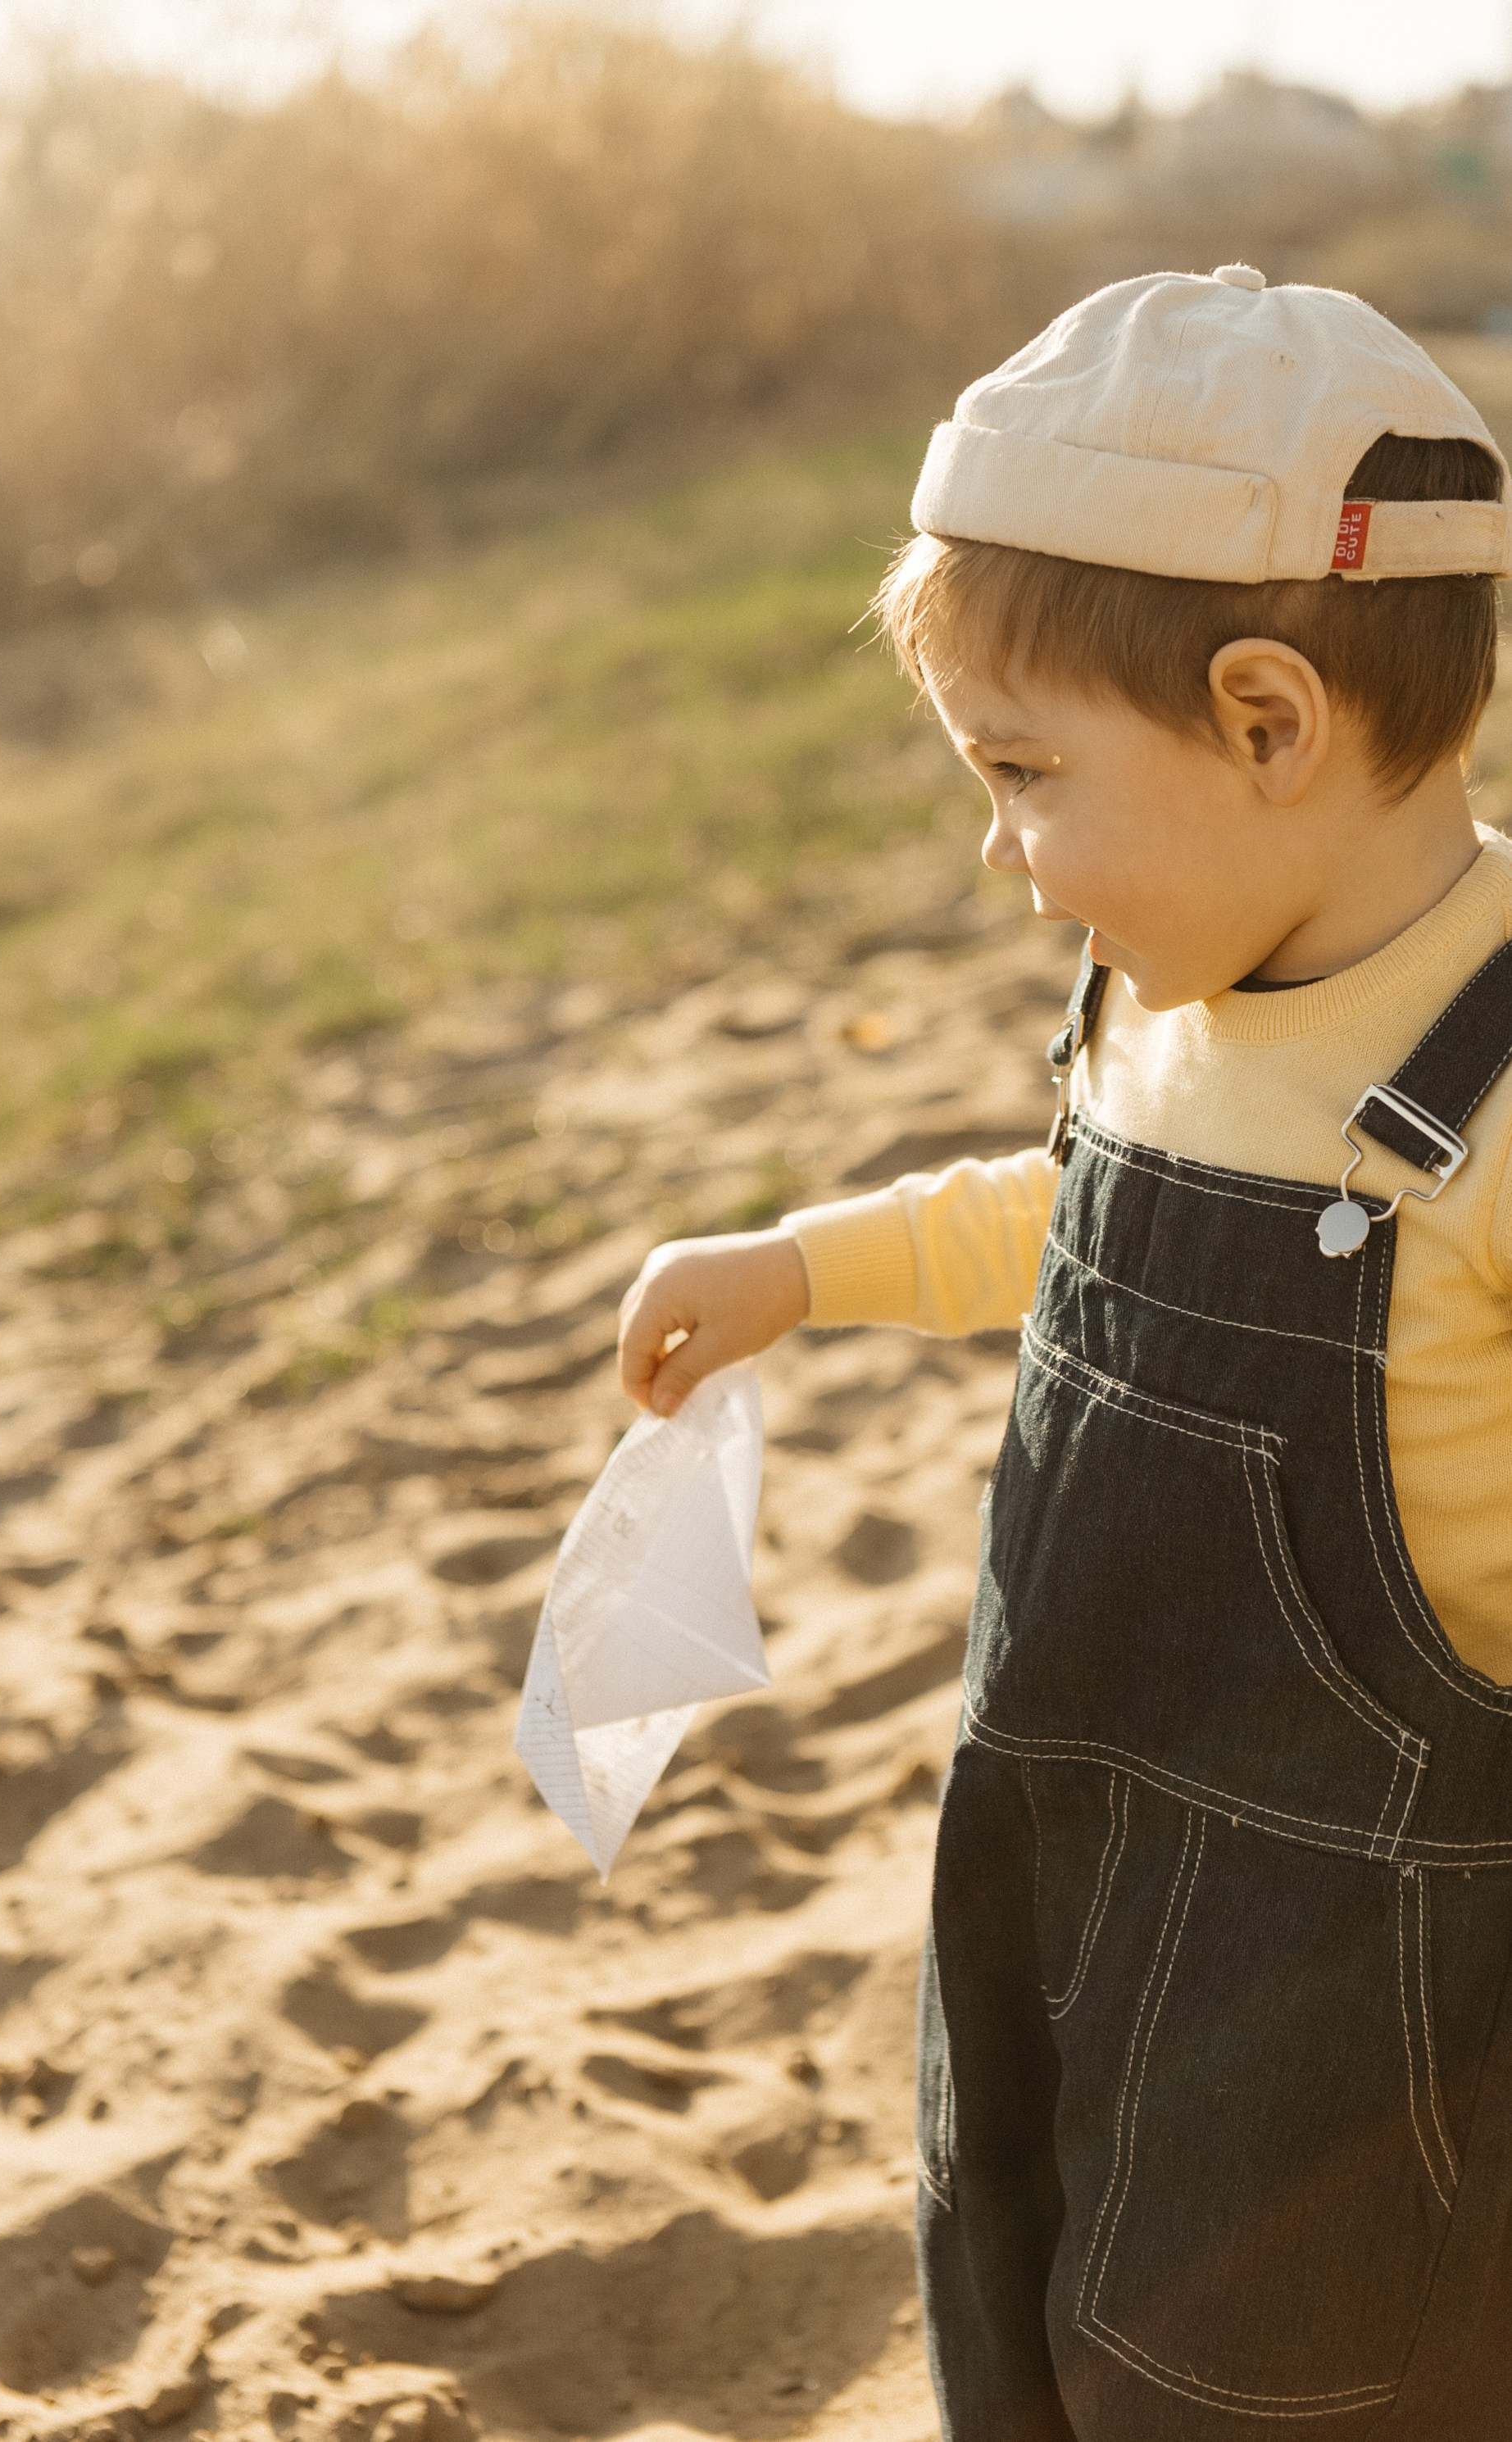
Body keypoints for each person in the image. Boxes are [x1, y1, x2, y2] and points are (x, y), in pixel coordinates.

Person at [615, 265, 1512, 2440]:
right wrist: (804, 1269)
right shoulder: (1167, 1010)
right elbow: (1076, 1214)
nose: (998, 853)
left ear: (1267, 720)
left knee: (1279, 2380)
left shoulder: (1478, 1095)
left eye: (1022, 774)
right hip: (1062, 1847)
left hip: (1357, 1978)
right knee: (1025, 2281)